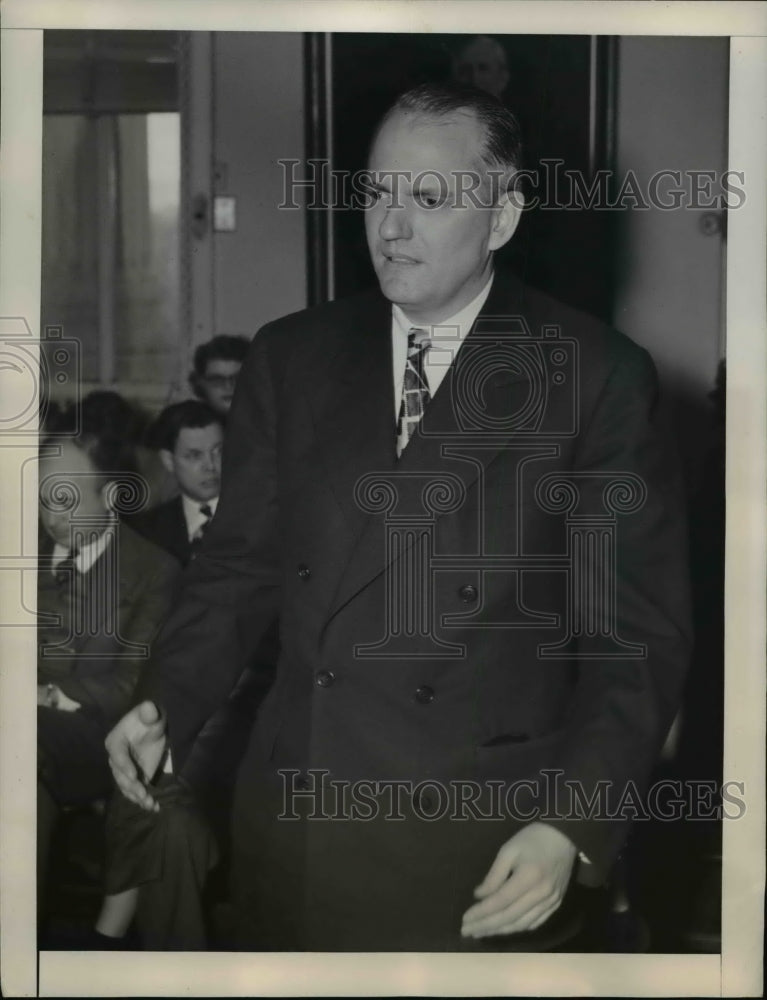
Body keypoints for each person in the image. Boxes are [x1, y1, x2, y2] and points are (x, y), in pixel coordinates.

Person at [107, 83, 692, 952]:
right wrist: (166, 703)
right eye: (377, 193)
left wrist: (571, 826)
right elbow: (239, 571)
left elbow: (633, 643)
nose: (390, 226)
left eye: (427, 200)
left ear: (501, 217)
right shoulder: (292, 355)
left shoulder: (594, 376)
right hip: (297, 822)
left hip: (481, 843)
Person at [37, 393, 179, 926]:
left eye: (69, 500)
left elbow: (131, 684)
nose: (53, 517)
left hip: (100, 742)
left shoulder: (153, 571)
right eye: (45, 499)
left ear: (113, 495)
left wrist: (47, 696)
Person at [127, 401, 224, 566]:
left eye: (219, 451)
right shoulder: (146, 533)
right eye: (195, 455)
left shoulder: (263, 519)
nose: (210, 466)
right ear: (168, 461)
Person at [189, 335, 249, 420]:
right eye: (217, 379)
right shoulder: (189, 429)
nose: (228, 386)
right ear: (199, 383)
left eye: (238, 379)